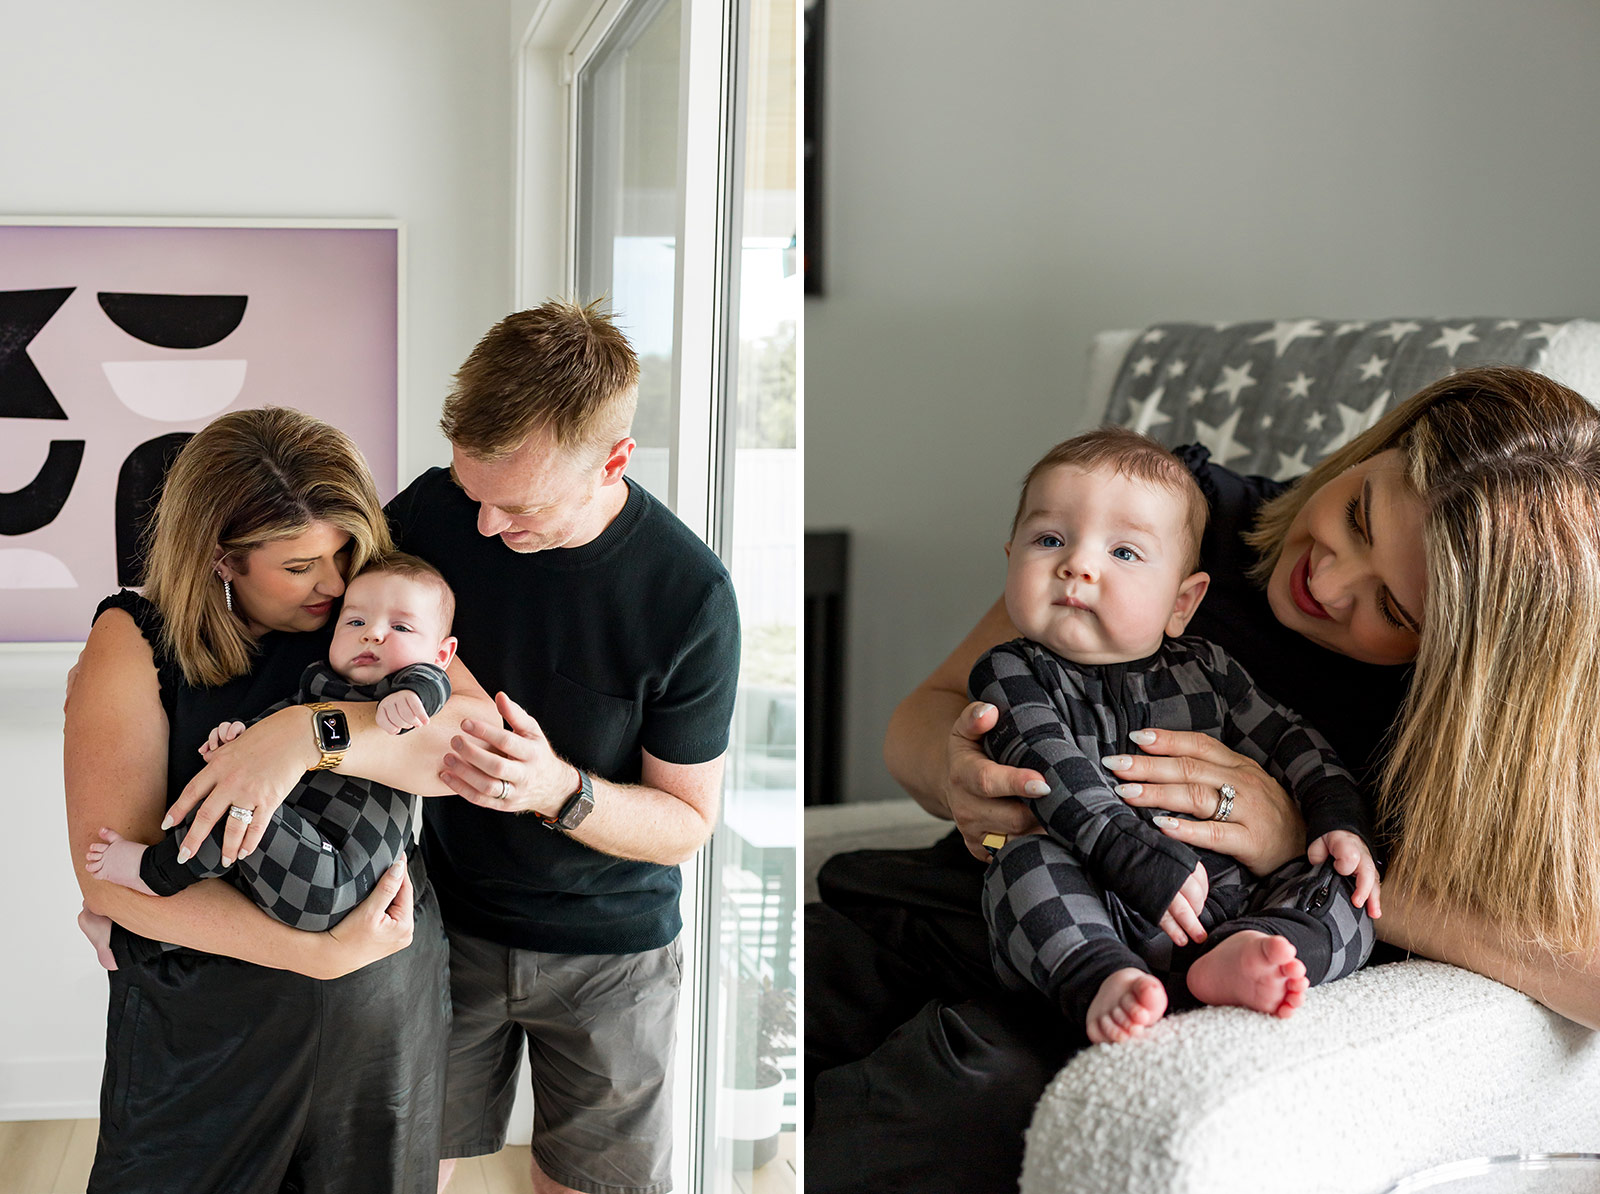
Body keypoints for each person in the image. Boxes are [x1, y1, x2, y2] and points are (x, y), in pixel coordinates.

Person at [806, 365, 1600, 1194]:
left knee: (955, 1097)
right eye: (1357, 516)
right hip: (979, 899)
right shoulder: (1168, 517)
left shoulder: (1484, 728)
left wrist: (1300, 842)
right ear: (1377, 446)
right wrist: (961, 776)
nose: (1328, 583)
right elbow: (921, 717)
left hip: (1127, 977)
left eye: (1393, 610)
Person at [66, 407, 496, 1194]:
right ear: (221, 559)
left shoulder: (373, 619)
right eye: (300, 566)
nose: (334, 584)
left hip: (377, 1017)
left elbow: (473, 743)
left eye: (343, 551)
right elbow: (107, 879)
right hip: (205, 1038)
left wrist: (304, 735)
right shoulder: (135, 638)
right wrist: (316, 955)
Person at [380, 299, 741, 1194]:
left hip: (613, 961)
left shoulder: (689, 596)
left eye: (519, 505)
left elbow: (686, 824)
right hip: (443, 924)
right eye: (473, 492)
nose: (484, 527)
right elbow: (341, 640)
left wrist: (555, 789)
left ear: (614, 461)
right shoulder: (433, 512)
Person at [975, 427, 1377, 1045]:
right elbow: (1051, 769)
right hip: (1097, 896)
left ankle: (1252, 950)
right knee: (1024, 864)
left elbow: (1290, 740)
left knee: (1347, 888)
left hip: (1229, 896)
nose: (1077, 564)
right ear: (1010, 561)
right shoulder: (1010, 672)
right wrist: (1135, 859)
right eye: (1050, 539)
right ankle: (1102, 978)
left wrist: (1336, 818)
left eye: (1124, 552)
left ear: (1181, 604)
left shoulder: (1208, 670)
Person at [80, 554, 458, 947]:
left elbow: (434, 684)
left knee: (238, 807)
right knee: (232, 866)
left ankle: (154, 873)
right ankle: (125, 945)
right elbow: (275, 727)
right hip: (304, 853)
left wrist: (413, 697)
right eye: (355, 622)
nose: (373, 634)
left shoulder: (407, 682)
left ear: (442, 654)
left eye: (401, 627)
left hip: (340, 879)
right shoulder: (317, 682)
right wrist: (241, 736)